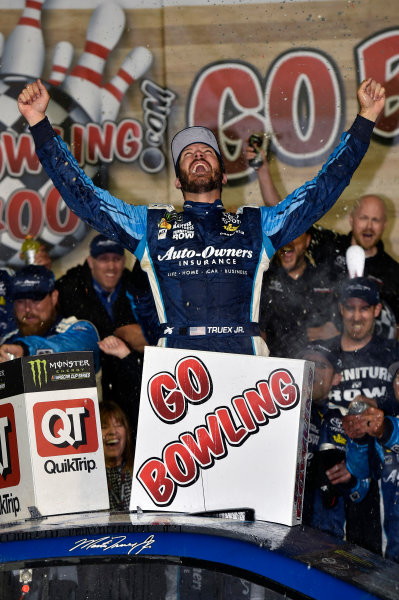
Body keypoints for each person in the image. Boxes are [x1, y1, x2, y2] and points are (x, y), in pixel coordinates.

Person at [17, 77, 385, 356]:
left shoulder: (257, 224)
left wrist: (366, 119)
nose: (197, 154)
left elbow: (322, 191)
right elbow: (84, 196)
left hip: (246, 359)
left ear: (223, 174)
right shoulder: (151, 225)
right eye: (188, 153)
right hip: (178, 362)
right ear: (178, 180)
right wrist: (40, 125)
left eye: (206, 151)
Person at [325, 277, 399, 553]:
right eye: (350, 308)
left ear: (377, 309)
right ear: (341, 309)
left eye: (364, 308)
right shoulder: (324, 354)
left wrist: (374, 407)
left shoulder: (392, 352)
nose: (357, 316)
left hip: (384, 482)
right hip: (334, 482)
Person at [56, 234, 148, 406]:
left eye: (116, 259)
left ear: (124, 260)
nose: (111, 266)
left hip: (130, 383)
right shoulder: (69, 288)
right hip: (84, 384)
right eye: (103, 259)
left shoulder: (136, 286)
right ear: (91, 262)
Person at [343, 361, 399, 562]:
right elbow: (363, 478)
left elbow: (393, 431)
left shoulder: (385, 426)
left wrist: (386, 431)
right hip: (391, 555)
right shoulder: (382, 422)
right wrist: (358, 438)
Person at [0, 265, 100, 371]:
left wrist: (26, 350)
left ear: (54, 297)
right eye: (20, 301)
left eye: (35, 300)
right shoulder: (8, 343)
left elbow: (75, 349)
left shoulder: (80, 330)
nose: (28, 309)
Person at [259, 230, 340, 358]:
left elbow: (335, 330)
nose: (288, 242)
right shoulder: (262, 278)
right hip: (273, 364)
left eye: (295, 235)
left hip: (313, 364)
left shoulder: (322, 280)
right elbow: (256, 333)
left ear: (307, 241)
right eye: (283, 235)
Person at [100, 401, 134, 512]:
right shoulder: (90, 482)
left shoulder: (139, 474)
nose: (112, 431)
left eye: (118, 425)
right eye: (104, 426)